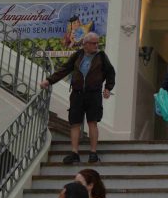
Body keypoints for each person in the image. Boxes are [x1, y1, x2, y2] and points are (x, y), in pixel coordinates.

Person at [40, 32, 115, 164]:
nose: (96, 45)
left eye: (98, 43)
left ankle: (93, 152)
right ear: (85, 44)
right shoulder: (78, 55)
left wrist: (108, 88)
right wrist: (49, 81)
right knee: (75, 123)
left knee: (93, 122)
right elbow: (64, 69)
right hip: (77, 94)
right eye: (93, 43)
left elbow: (110, 72)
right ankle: (74, 152)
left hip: (94, 94)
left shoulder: (101, 56)